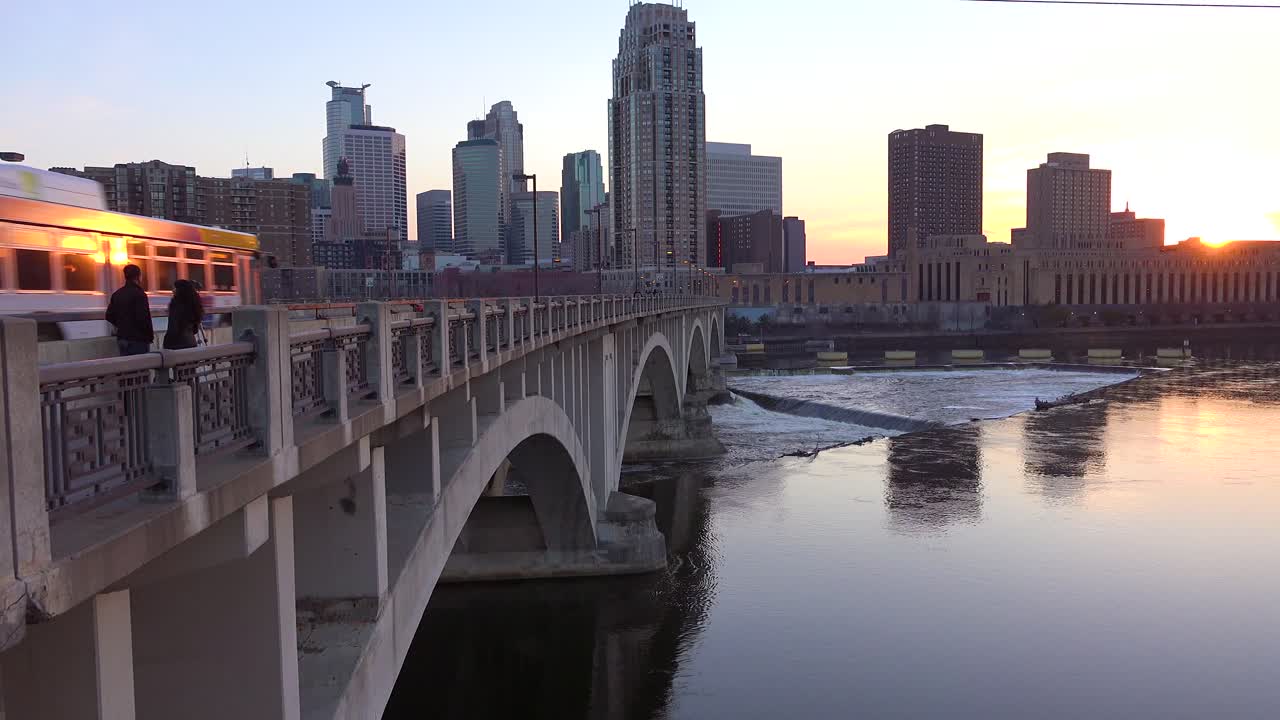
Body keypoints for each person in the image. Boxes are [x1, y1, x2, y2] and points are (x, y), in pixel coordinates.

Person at [105, 264, 154, 356]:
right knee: (141, 368)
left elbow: (109, 315)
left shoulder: (117, 294)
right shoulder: (139, 294)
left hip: (122, 338)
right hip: (138, 340)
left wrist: (121, 324)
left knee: (127, 367)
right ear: (138, 276)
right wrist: (149, 337)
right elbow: (143, 318)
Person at [163, 279, 205, 350]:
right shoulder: (194, 304)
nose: (172, 290)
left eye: (175, 288)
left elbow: (173, 327)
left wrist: (166, 343)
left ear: (180, 290)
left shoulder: (176, 304)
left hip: (177, 344)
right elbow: (195, 329)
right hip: (191, 342)